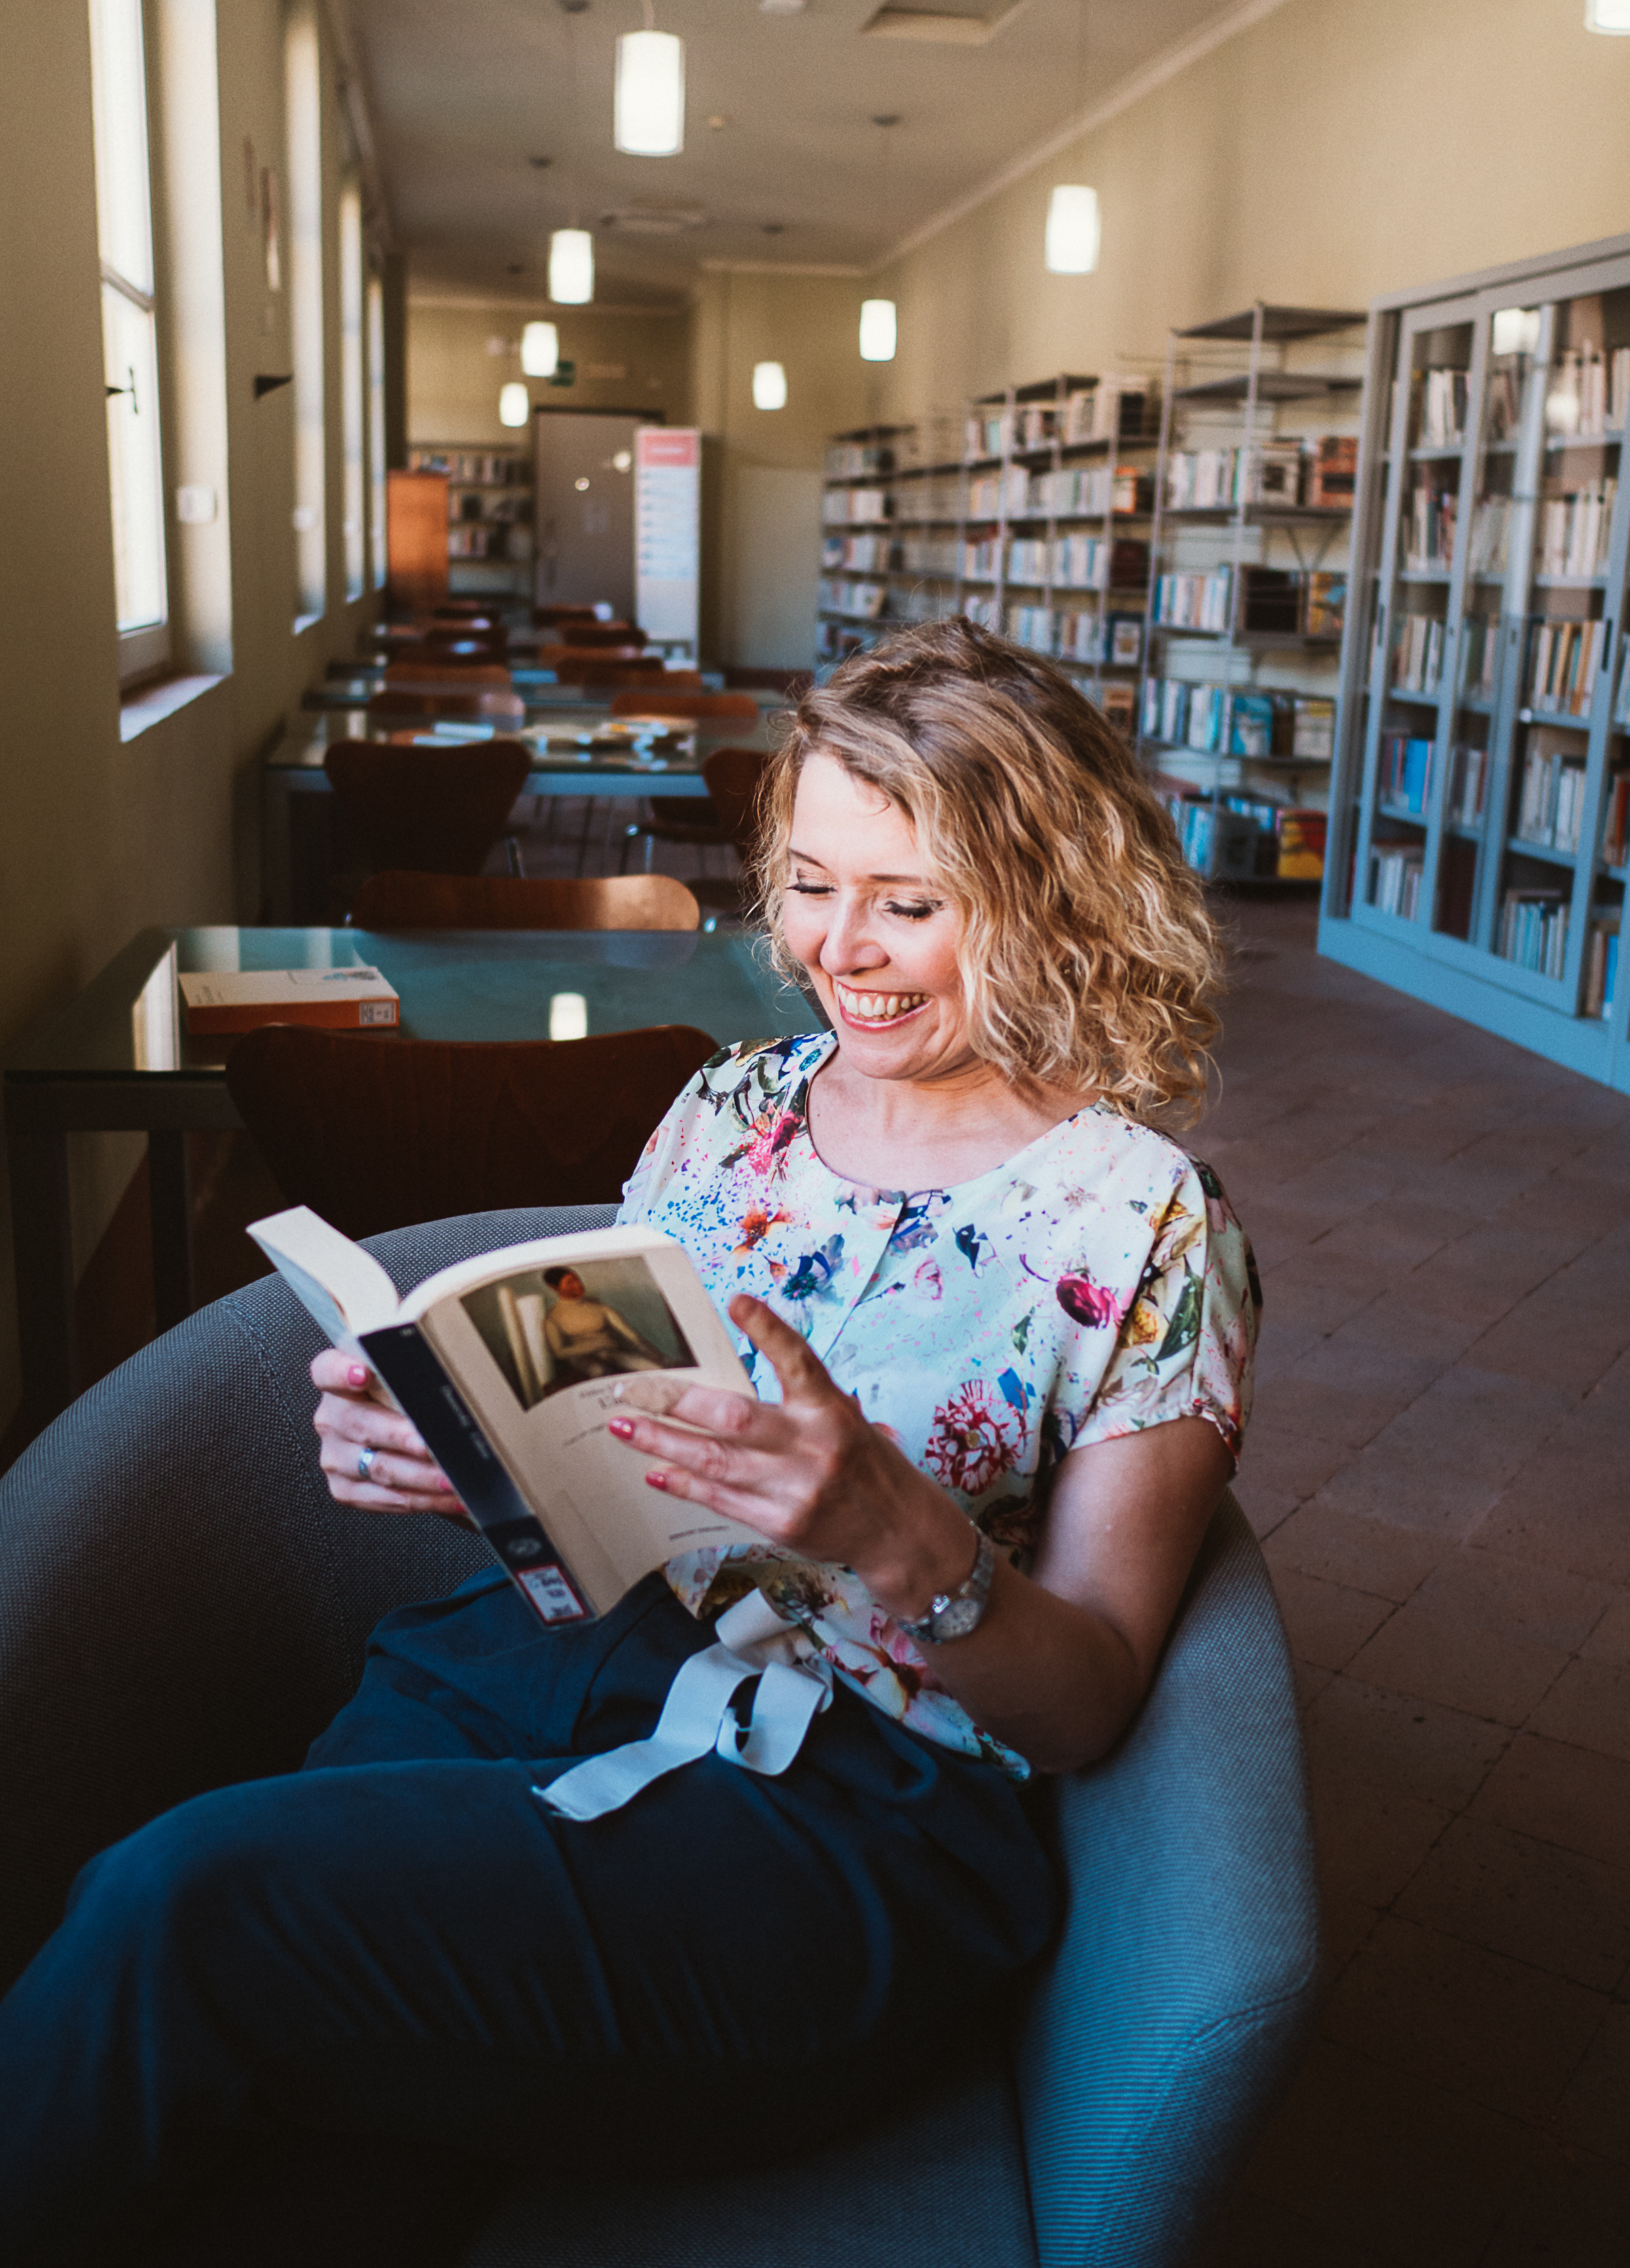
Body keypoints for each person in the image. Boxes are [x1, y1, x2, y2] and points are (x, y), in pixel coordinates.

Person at [0, 622, 1258, 2261]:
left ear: (1047, 893)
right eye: (809, 882)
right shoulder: (729, 1109)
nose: (839, 950)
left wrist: (897, 1537)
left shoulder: (1142, 1219)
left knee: (181, 1908)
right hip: (544, 1664)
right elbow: (616, 1454)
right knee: (265, 2083)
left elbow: (1087, 1702)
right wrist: (471, 1469)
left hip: (832, 1821)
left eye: (909, 900)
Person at [540, 1265, 666, 1382]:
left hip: (611, 1353)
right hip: (584, 1360)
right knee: (600, 1372)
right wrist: (595, 1345)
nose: (578, 1285)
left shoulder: (599, 1307)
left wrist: (651, 1353)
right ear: (554, 1287)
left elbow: (630, 1334)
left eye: (577, 1279)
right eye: (570, 1282)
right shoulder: (553, 1317)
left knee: (652, 1368)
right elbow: (559, 1352)